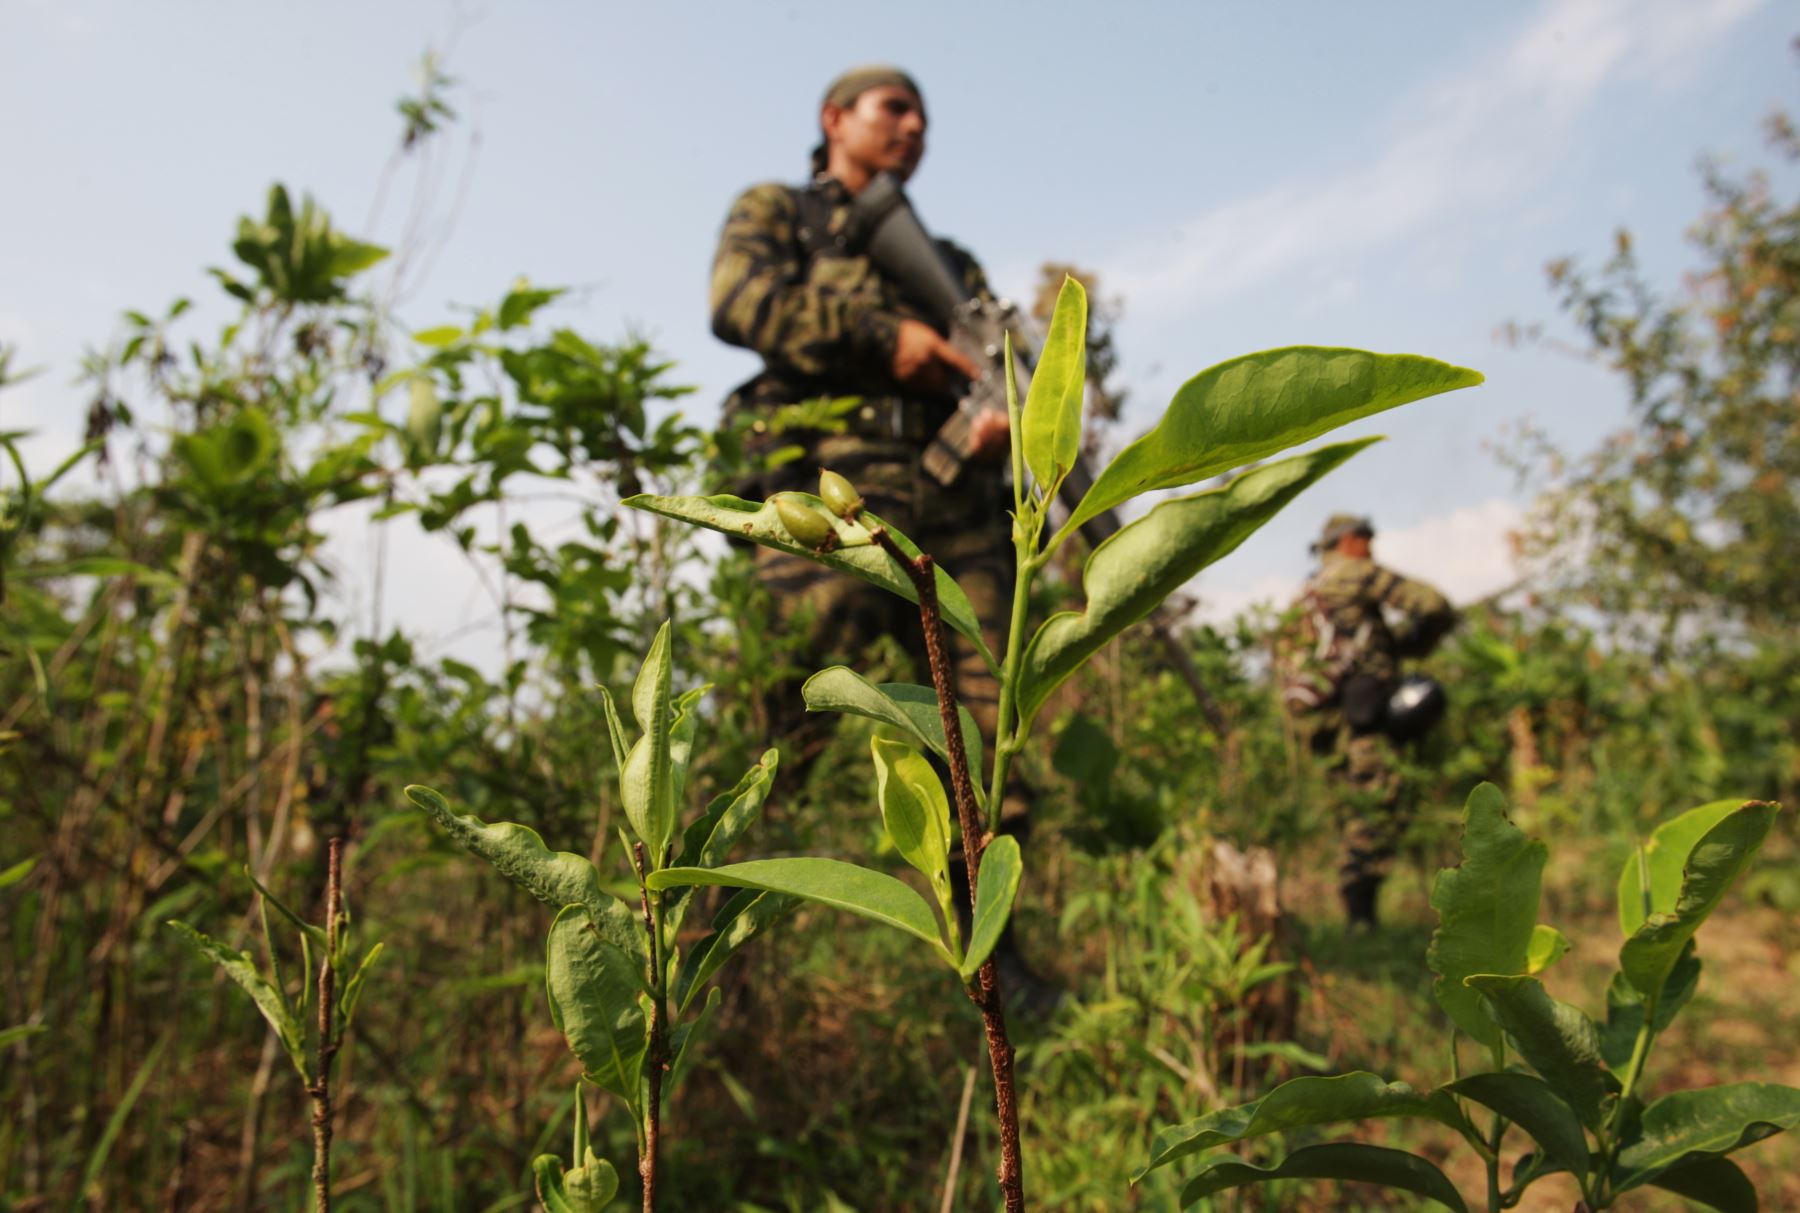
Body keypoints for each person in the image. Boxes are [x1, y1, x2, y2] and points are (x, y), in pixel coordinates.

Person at [708, 65, 1016, 796]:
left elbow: (989, 366)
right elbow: (738, 300)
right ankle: (705, 908)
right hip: (831, 494)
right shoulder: (780, 212)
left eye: (925, 120)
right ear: (834, 119)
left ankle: (983, 906)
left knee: (992, 749)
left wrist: (1002, 419)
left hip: (954, 503)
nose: (915, 128)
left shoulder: (951, 263)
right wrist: (883, 337)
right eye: (896, 109)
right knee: (774, 734)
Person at [1278, 514, 1457, 929]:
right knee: (1373, 815)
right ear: (1349, 541)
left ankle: (1358, 916)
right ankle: (1361, 919)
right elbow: (1432, 605)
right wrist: (1413, 645)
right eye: (1367, 539)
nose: (1372, 548)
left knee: (1351, 813)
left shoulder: (1308, 591)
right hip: (1366, 726)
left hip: (1328, 725)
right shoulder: (1353, 574)